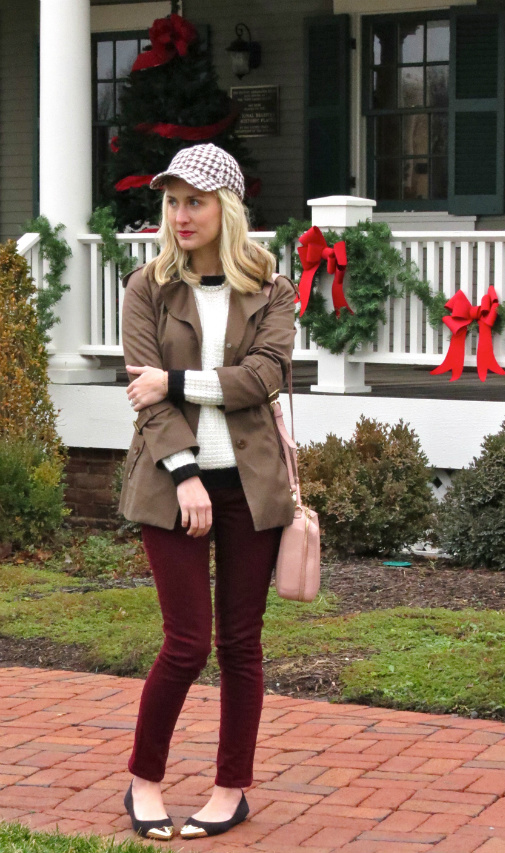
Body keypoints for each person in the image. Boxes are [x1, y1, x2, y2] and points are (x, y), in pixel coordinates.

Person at [118, 143, 296, 841]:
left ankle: (231, 789)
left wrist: (180, 381)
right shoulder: (147, 287)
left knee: (242, 644)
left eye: (195, 200)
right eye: (172, 201)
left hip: (252, 488)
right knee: (186, 643)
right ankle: (144, 779)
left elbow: (267, 374)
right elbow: (145, 394)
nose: (181, 214)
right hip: (171, 487)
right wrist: (186, 472)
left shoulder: (270, 289)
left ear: (227, 207)